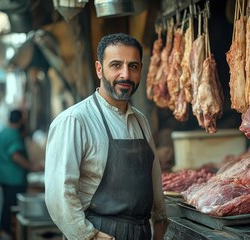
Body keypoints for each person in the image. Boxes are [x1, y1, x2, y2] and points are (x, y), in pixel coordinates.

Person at [45, 33, 168, 240]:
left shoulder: (140, 121)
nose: (125, 75)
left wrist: (160, 221)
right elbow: (60, 193)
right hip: (99, 231)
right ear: (99, 69)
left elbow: (154, 177)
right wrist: (88, 236)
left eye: (133, 66)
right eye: (116, 65)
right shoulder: (75, 120)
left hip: (141, 232)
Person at [0, 109, 41, 239]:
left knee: (6, 204)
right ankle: (6, 231)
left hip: (3, 177)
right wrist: (32, 167)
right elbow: (15, 155)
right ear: (20, 120)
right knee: (12, 206)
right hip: (13, 179)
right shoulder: (14, 135)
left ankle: (1, 229)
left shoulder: (2, 133)